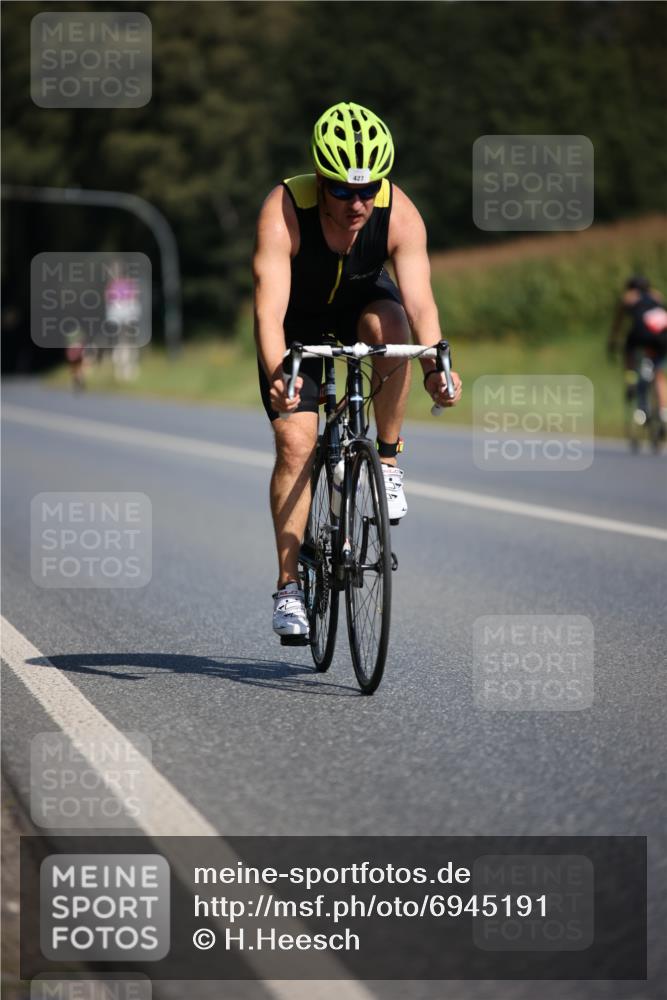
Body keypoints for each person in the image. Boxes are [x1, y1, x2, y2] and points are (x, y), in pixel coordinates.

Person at [252, 101, 462, 640]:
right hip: (296, 323)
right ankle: (288, 588)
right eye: (342, 190)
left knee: (395, 329)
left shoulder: (400, 212)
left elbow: (421, 304)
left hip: (364, 308)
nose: (357, 203)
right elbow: (268, 308)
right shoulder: (283, 211)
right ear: (320, 181)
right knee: (297, 444)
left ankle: (387, 461)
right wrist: (280, 370)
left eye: (367, 190)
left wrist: (441, 362)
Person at [608, 275, 667, 425]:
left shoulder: (629, 297)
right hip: (661, 336)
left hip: (641, 336)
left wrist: (612, 341)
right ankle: (663, 411)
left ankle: (631, 380)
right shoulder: (656, 295)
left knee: (629, 350)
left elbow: (618, 322)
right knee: (658, 372)